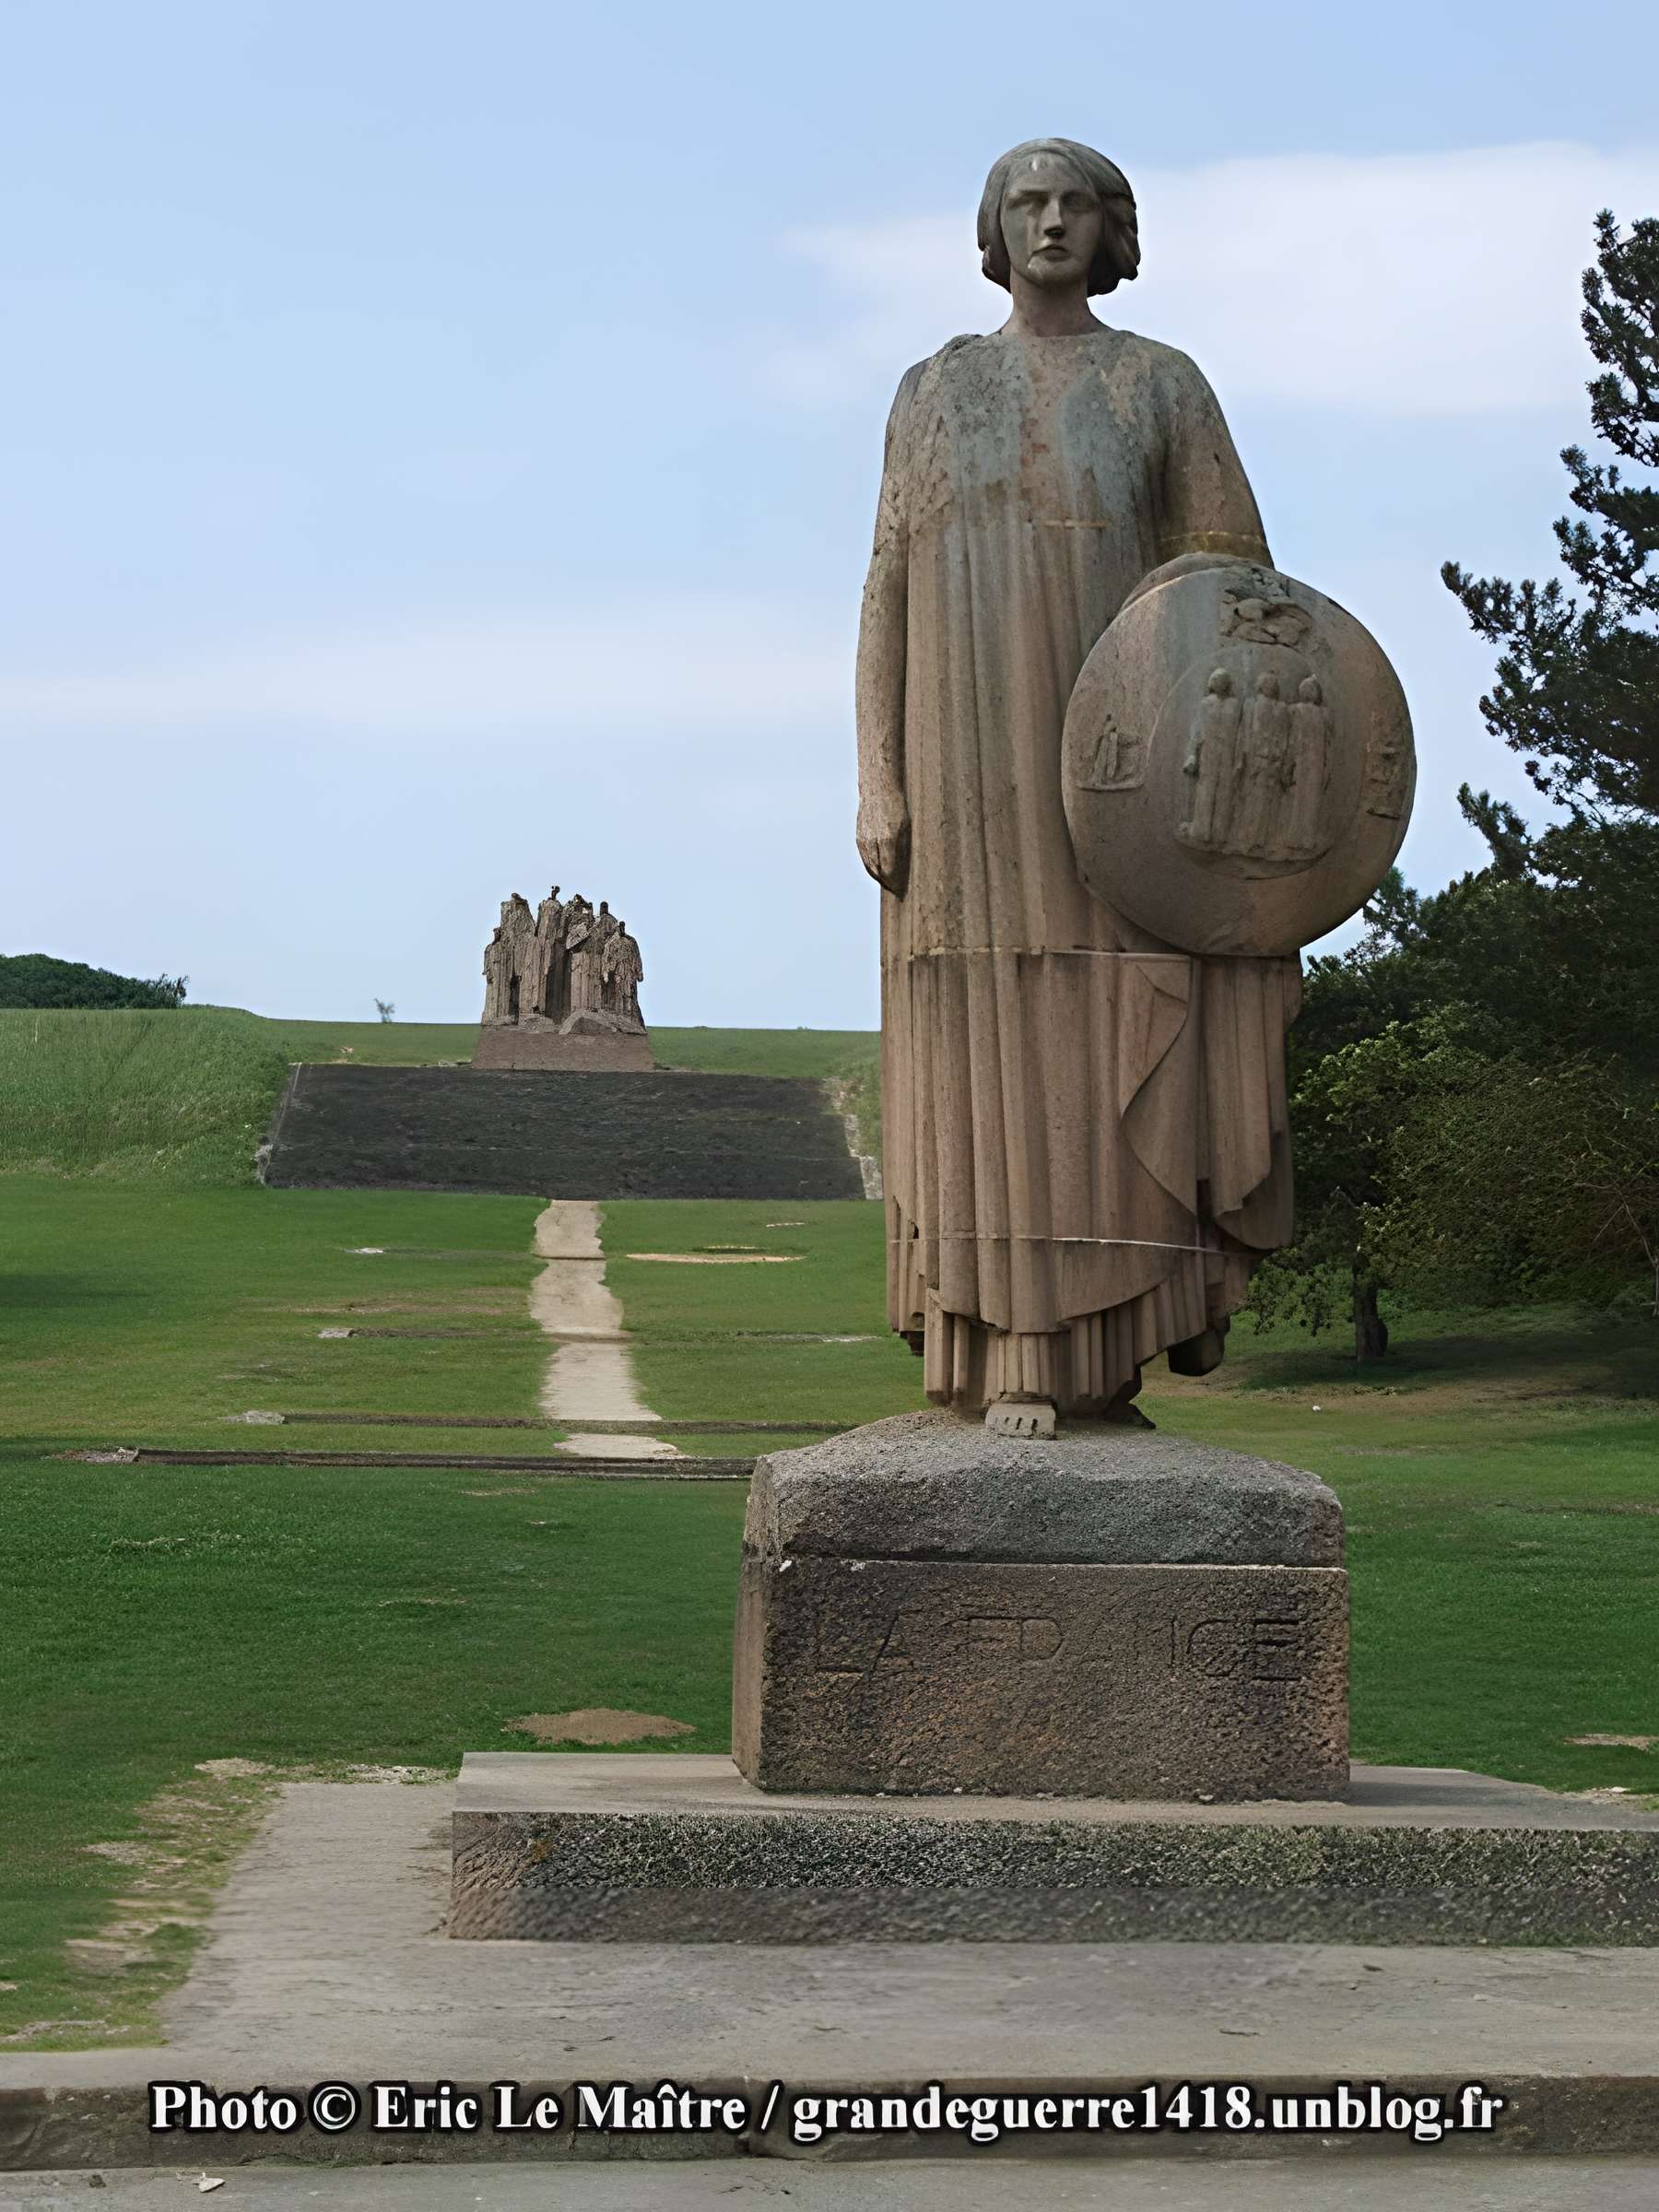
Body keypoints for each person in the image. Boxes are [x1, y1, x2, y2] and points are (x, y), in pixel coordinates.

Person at [855, 137, 1299, 1424]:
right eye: (1027, 203)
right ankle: (1006, 1341)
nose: (1051, 223)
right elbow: (886, 587)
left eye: (1074, 205)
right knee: (987, 1034)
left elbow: (1240, 588)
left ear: (1112, 231)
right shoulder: (936, 391)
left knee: (1119, 1021)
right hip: (963, 763)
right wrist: (879, 774)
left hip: (1120, 775)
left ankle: (1110, 1342)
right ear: (993, 230)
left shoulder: (1161, 384)